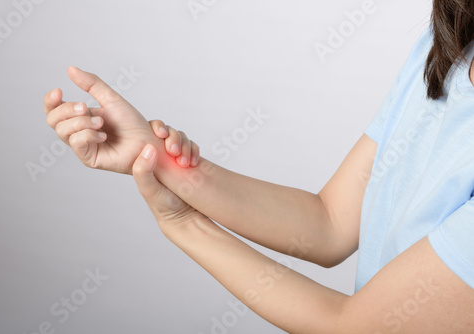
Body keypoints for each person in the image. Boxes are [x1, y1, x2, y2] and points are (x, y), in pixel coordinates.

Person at [43, 1, 474, 332]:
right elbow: (329, 222)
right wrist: (155, 159)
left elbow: (350, 325)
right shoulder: (445, 52)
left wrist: (183, 223)